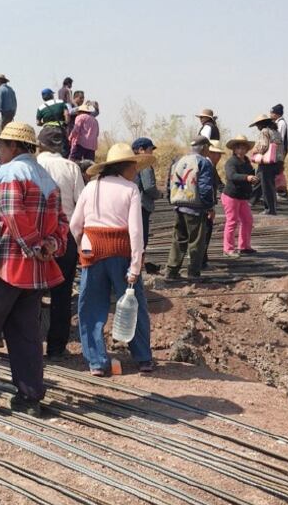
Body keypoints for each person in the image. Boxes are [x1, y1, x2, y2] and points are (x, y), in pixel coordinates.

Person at [0, 122, 68, 417]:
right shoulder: (47, 179)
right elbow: (62, 222)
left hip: (3, 262)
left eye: (2, 145)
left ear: (14, 146)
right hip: (34, 270)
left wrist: (33, 245)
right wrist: (50, 246)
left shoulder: (9, 173)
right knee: (24, 332)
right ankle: (29, 396)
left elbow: (12, 212)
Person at [72, 143, 155, 376]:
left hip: (92, 251)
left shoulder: (91, 187)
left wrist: (81, 246)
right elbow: (136, 232)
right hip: (121, 252)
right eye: (134, 167)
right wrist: (136, 265)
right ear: (124, 167)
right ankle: (143, 358)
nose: (136, 171)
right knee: (134, 305)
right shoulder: (130, 189)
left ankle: (96, 362)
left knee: (90, 307)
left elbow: (75, 224)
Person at [36, 126, 84, 360]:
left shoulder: (33, 165)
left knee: (31, 293)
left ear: (40, 145)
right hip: (65, 237)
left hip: (35, 238)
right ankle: (56, 348)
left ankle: (31, 345)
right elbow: (81, 204)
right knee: (62, 294)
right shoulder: (71, 167)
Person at [165, 137, 215, 279]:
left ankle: (171, 271)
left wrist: (172, 200)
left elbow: (170, 183)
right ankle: (193, 272)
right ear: (204, 147)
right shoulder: (203, 162)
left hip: (179, 205)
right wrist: (209, 206)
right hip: (195, 207)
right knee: (196, 241)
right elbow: (205, 187)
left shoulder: (179, 161)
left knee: (178, 240)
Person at [221, 135, 258, 258]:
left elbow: (250, 176)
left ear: (247, 149)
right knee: (232, 222)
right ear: (234, 149)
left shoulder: (247, 162)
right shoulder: (231, 162)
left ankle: (244, 246)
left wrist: (253, 179)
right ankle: (228, 249)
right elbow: (231, 176)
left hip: (242, 196)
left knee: (248, 220)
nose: (241, 150)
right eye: (238, 147)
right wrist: (247, 178)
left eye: (243, 148)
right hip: (231, 196)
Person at [131, 137, 161, 268]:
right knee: (141, 238)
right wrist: (158, 194)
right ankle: (137, 266)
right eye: (150, 149)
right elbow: (149, 187)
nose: (152, 152)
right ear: (141, 150)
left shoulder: (130, 164)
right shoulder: (145, 165)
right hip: (142, 205)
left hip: (132, 204)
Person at [249, 114, 283, 215]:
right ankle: (251, 201)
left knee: (267, 186)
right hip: (276, 161)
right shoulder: (276, 132)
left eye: (257, 125)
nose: (257, 127)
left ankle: (270, 209)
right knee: (259, 182)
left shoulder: (264, 131)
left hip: (266, 163)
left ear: (261, 124)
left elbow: (263, 146)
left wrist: (254, 151)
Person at [203, 139, 225, 268]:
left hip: (202, 204)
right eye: (217, 154)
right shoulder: (207, 166)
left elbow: (219, 183)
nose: (219, 157)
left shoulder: (210, 166)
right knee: (205, 231)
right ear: (210, 153)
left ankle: (201, 258)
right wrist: (210, 207)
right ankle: (201, 260)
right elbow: (206, 188)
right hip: (204, 205)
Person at [270, 104, 288, 198]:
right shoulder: (277, 122)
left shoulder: (281, 123)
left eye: (272, 113)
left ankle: (281, 190)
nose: (270, 114)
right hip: (278, 149)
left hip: (279, 150)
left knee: (278, 169)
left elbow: (279, 138)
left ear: (277, 114)